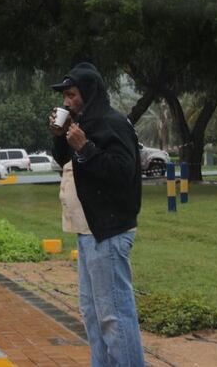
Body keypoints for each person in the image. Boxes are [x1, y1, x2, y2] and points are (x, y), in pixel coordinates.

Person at [49, 62, 144, 367]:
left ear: (88, 94)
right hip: (89, 231)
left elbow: (124, 172)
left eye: (72, 94)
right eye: (64, 95)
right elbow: (65, 158)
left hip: (109, 233)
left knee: (114, 315)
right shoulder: (84, 124)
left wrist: (87, 148)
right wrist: (59, 135)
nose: (66, 101)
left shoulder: (111, 123)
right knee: (93, 315)